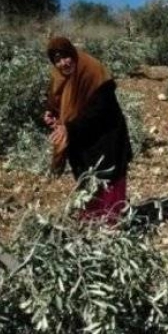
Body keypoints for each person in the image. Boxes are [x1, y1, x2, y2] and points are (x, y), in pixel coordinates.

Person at [44, 37, 133, 223]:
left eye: (66, 57)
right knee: (87, 180)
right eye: (57, 60)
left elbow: (100, 111)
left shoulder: (93, 71)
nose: (63, 63)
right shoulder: (59, 77)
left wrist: (69, 128)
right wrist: (50, 114)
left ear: (72, 53)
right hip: (82, 139)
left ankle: (110, 224)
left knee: (108, 179)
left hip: (107, 138)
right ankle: (91, 223)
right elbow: (56, 102)